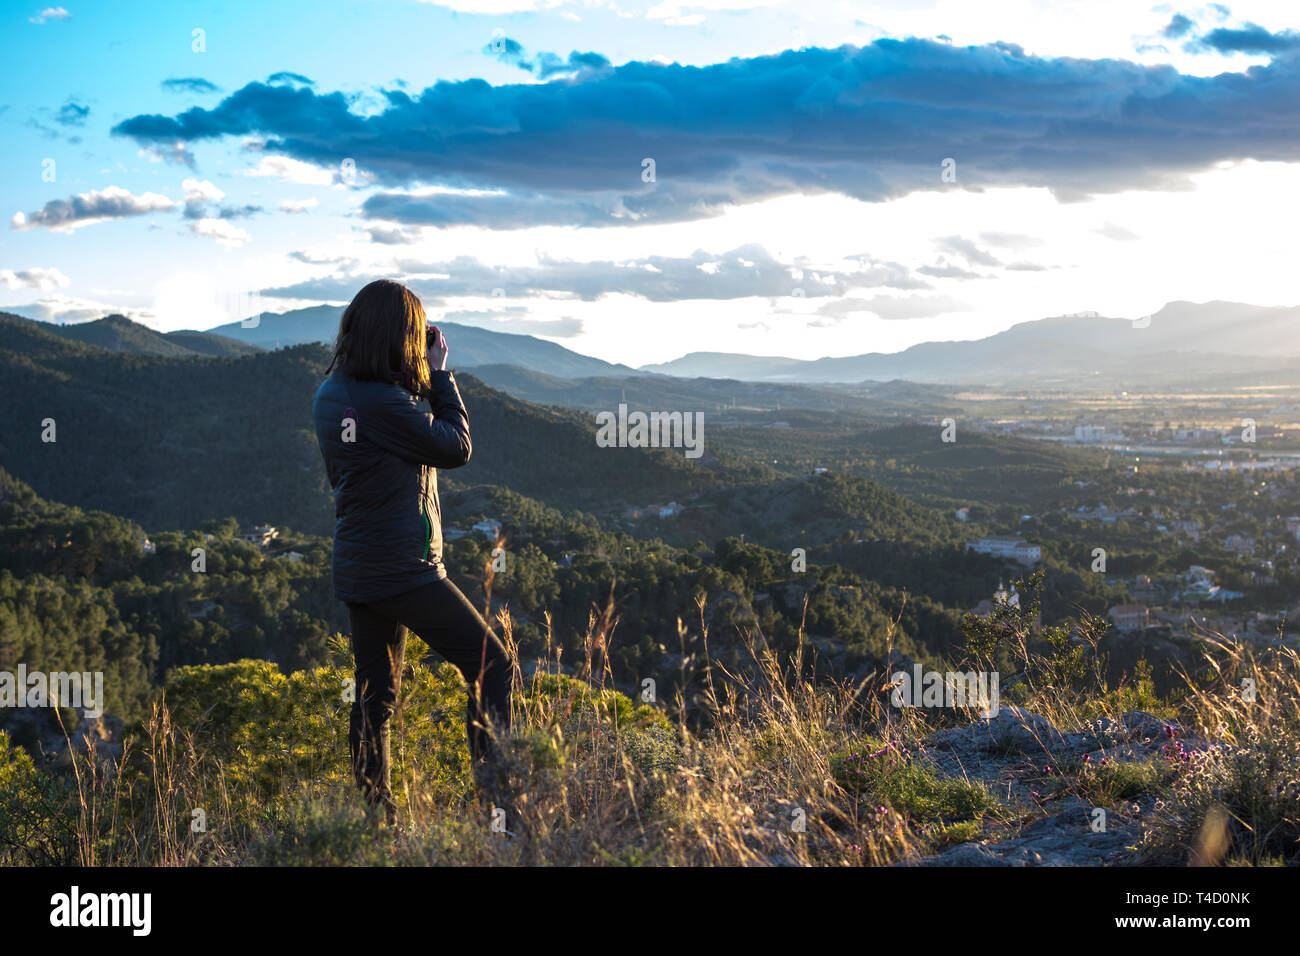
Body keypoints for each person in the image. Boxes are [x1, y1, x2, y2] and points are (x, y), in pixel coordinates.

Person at [312, 279, 511, 824]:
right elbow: (455, 446)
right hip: (405, 568)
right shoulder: (382, 402)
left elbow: (388, 434)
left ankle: (376, 819)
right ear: (400, 335)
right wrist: (441, 374)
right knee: (493, 665)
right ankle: (499, 814)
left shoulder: (335, 392)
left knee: (376, 698)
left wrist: (412, 379)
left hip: (359, 566)